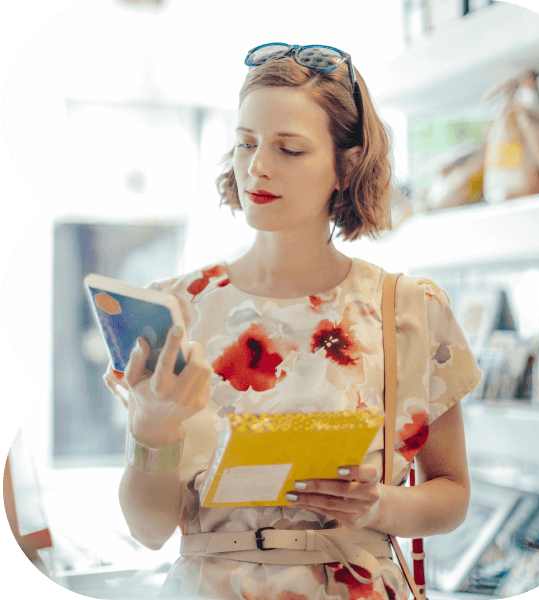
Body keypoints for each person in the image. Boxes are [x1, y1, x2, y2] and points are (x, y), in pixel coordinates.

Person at [104, 44, 483, 600]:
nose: (257, 166)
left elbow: (452, 494)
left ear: (346, 165)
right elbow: (149, 528)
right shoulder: (175, 310)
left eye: (290, 149)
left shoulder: (409, 309)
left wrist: (382, 503)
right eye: (246, 143)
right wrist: (151, 433)